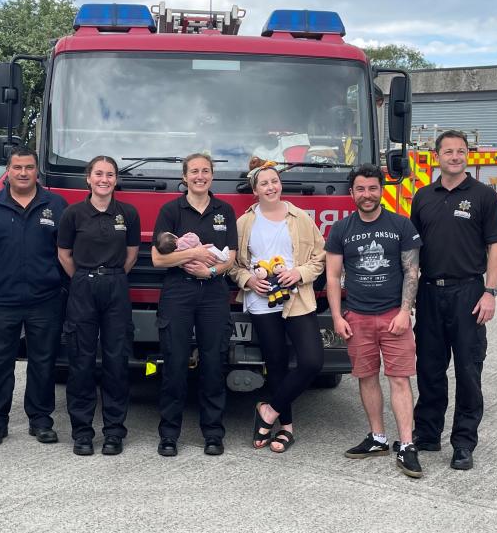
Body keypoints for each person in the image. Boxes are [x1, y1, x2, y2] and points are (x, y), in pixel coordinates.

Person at [410, 130, 497, 470]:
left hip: (468, 292)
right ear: (437, 156)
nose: (454, 156)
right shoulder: (422, 196)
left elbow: (496, 245)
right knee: (429, 367)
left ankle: (463, 442)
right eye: (448, 151)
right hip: (430, 292)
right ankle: (427, 433)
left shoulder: (484, 197)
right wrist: (409, 296)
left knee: (468, 369)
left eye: (461, 151)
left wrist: (490, 292)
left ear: (469, 156)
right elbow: (413, 252)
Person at [325, 164, 423, 477]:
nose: (367, 195)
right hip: (358, 318)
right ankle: (378, 437)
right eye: (361, 189)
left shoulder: (401, 225)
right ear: (352, 192)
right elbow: (332, 275)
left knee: (399, 378)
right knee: (366, 377)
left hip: (394, 316)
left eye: (372, 188)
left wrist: (404, 311)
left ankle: (406, 445)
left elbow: (412, 271)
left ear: (381, 190)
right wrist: (338, 317)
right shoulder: (341, 229)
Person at [0, 147, 68, 446]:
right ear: (8, 171)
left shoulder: (56, 205)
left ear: (37, 171)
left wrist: (63, 289)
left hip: (46, 298)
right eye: (17, 167)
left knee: (43, 361)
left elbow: (66, 252)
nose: (23, 173)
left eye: (28, 167)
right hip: (2, 299)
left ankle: (40, 419)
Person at [229, 158, 326, 453]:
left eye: (274, 181)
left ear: (280, 185)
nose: (271, 187)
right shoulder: (244, 222)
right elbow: (232, 264)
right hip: (261, 303)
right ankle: (286, 429)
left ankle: (267, 411)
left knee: (312, 361)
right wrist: (247, 280)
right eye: (264, 183)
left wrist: (299, 273)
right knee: (277, 365)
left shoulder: (300, 218)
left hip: (297, 299)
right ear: (254, 190)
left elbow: (320, 258)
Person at [150, 153, 238, 457]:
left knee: (214, 363)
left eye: (206, 171)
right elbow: (158, 258)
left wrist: (210, 269)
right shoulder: (171, 209)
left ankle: (213, 433)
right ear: (185, 177)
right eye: (194, 171)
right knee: (174, 363)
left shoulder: (224, 210)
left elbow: (233, 258)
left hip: (214, 292)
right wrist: (194, 254)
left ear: (212, 176)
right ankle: (169, 434)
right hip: (179, 292)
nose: (200, 176)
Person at [56, 155, 141, 456]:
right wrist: (85, 278)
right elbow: (64, 254)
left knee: (117, 361)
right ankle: (82, 432)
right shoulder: (73, 214)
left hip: (116, 286)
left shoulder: (127, 214)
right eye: (99, 174)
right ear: (88, 178)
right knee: (81, 361)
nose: (104, 179)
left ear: (116, 180)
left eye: (110, 175)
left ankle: (114, 432)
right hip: (82, 287)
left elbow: (131, 253)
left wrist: (111, 276)